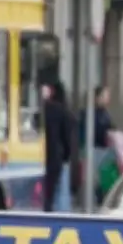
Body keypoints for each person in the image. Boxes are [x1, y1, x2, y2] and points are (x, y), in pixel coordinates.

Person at [41, 81, 76, 212]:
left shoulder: (44, 109)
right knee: (58, 193)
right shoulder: (63, 111)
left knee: (47, 194)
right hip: (57, 157)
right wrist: (66, 155)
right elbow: (67, 137)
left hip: (42, 155)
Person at [79, 86, 114, 205]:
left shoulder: (106, 113)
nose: (108, 99)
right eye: (105, 96)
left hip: (104, 150)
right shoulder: (89, 113)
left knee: (102, 180)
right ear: (97, 98)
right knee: (93, 181)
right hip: (93, 150)